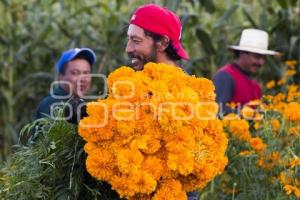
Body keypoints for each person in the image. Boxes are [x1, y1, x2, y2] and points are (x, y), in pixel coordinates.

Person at [126, 3, 198, 200]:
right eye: (129, 39)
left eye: (136, 40)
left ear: (163, 43)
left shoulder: (186, 96)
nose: (128, 48)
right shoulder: (136, 84)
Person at [213, 28, 278, 117]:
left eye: (264, 58)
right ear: (242, 53)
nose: (261, 62)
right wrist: (249, 115)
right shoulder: (225, 76)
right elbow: (217, 110)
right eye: (257, 57)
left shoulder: (255, 84)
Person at [35, 48, 96, 123]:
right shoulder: (51, 104)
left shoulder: (79, 103)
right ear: (61, 76)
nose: (82, 79)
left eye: (86, 73)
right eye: (75, 73)